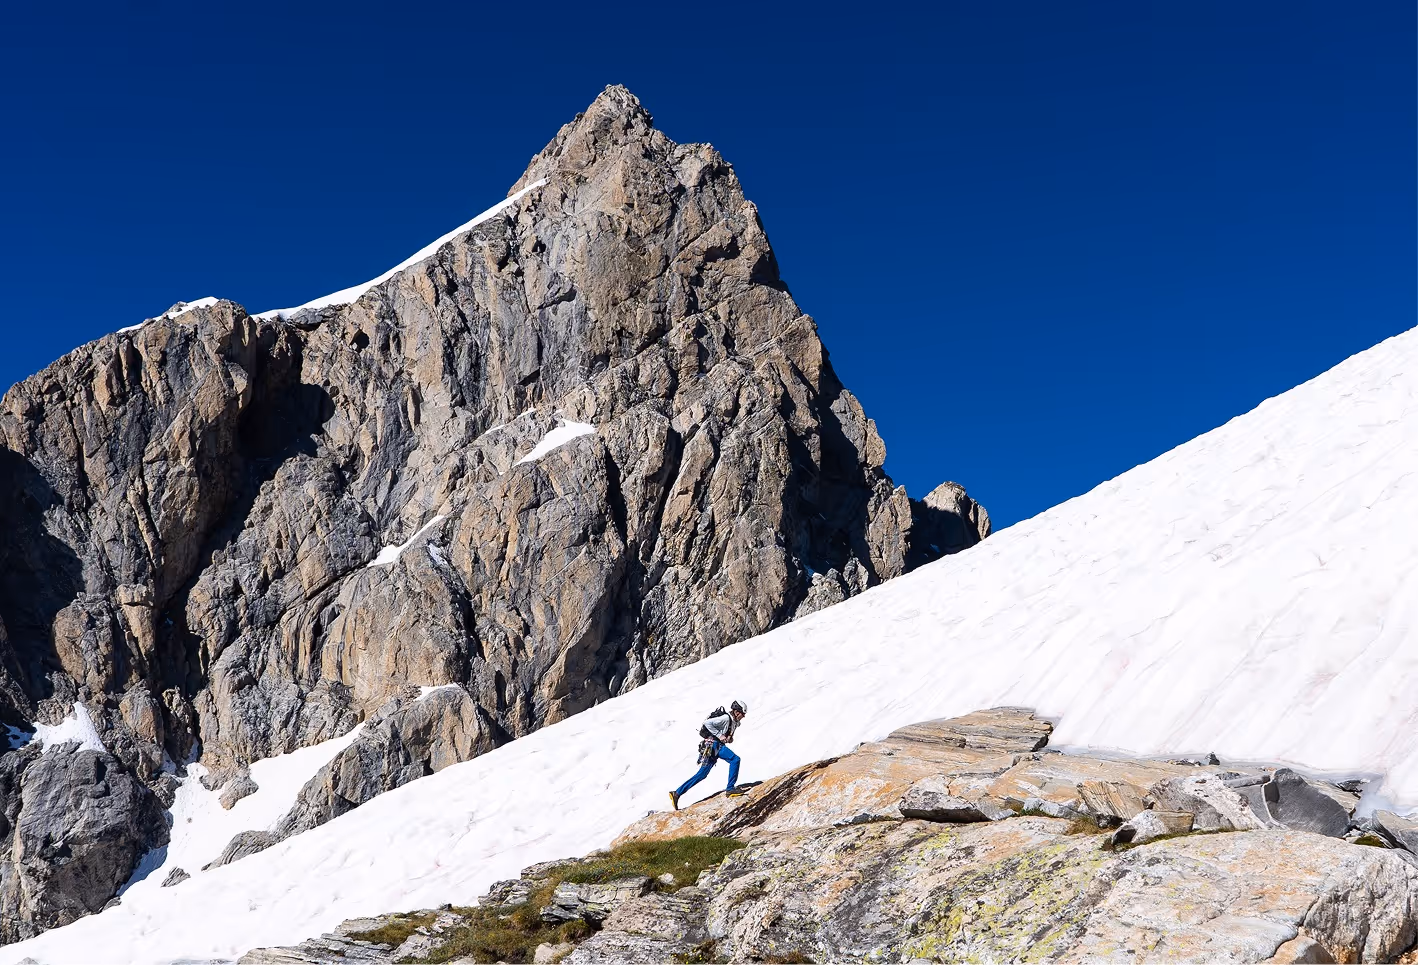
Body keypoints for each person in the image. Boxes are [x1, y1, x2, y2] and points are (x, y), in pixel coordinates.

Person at [669, 700, 747, 810]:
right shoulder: (725, 718)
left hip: (711, 747)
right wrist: (720, 736)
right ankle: (730, 789)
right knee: (735, 760)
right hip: (714, 745)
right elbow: (707, 723)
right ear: (736, 712)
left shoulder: (734, 722)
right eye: (742, 714)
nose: (743, 716)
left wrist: (728, 738)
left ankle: (677, 793)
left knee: (702, 774)